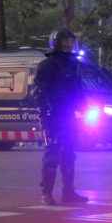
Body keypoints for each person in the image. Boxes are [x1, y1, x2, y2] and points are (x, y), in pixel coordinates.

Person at [34, 27, 89, 206]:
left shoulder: (72, 65)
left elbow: (78, 89)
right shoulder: (46, 65)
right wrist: (46, 112)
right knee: (52, 153)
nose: (69, 45)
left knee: (69, 153)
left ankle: (68, 192)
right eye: (66, 41)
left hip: (69, 114)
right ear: (57, 43)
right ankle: (47, 193)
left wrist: (83, 106)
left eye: (70, 42)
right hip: (53, 116)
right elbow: (39, 92)